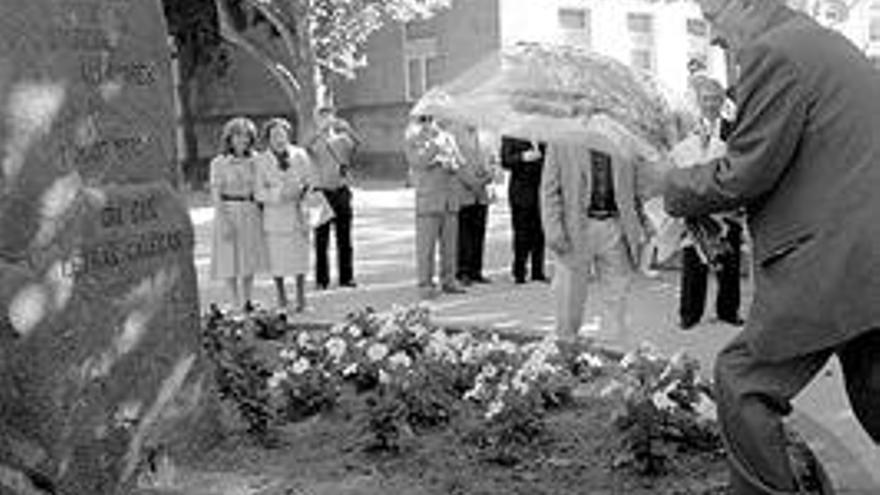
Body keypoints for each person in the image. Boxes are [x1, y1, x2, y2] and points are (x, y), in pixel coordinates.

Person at [663, 1, 880, 493]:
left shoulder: (774, 53)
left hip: (838, 260)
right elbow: (805, 161)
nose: (713, 38)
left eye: (713, 18)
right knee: (873, 392)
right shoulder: (816, 44)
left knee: (742, 381)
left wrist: (671, 185)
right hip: (865, 256)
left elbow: (748, 170)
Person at [542, 117, 653, 344]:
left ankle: (610, 357)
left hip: (615, 227)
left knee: (617, 300)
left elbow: (636, 188)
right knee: (569, 303)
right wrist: (553, 230)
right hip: (574, 230)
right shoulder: (562, 137)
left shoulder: (624, 136)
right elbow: (549, 189)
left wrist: (643, 223)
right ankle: (566, 353)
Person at [672, 75, 744, 330]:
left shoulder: (734, 129)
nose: (711, 103)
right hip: (695, 208)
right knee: (693, 262)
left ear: (723, 101)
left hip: (724, 208)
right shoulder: (685, 130)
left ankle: (728, 311)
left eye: (716, 98)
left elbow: (739, 163)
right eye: (706, 98)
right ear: (698, 101)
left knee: (729, 263)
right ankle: (689, 314)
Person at [254, 118, 313, 312]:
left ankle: (301, 298)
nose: (279, 139)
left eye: (282, 134)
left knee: (300, 258)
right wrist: (279, 194)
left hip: (298, 214)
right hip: (276, 216)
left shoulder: (300, 154)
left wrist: (302, 191)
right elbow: (258, 192)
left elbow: (310, 180)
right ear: (268, 139)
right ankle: (281, 297)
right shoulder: (261, 160)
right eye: (274, 135)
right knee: (278, 260)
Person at [405, 115, 466, 299]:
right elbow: (418, 162)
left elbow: (460, 161)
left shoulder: (448, 137)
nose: (429, 123)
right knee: (426, 247)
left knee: (450, 246)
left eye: (431, 119)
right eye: (425, 119)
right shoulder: (413, 139)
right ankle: (425, 284)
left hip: (449, 199)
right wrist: (436, 145)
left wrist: (451, 163)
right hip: (429, 200)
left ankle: (449, 280)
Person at [209, 117, 268, 309]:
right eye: (237, 136)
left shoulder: (257, 160)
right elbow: (216, 193)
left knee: (248, 258)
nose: (242, 140)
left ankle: (247, 299)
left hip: (250, 211)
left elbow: (264, 187)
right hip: (228, 210)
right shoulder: (219, 162)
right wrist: (224, 220)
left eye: (246, 136)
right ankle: (235, 301)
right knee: (229, 257)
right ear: (229, 138)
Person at [306, 106, 360, 290]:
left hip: (341, 191)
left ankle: (347, 277)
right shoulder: (314, 141)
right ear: (316, 121)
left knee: (344, 239)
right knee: (321, 241)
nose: (326, 121)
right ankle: (322, 280)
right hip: (319, 194)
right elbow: (305, 149)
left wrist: (346, 128)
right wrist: (319, 132)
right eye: (321, 118)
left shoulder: (343, 139)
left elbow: (357, 146)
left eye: (328, 117)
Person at [500, 136, 548, 284]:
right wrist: (522, 157)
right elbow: (505, 161)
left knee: (539, 232)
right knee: (521, 233)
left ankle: (537, 271)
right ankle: (519, 272)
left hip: (540, 190)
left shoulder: (543, 134)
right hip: (520, 192)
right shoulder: (512, 135)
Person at [453, 123, 494, 285]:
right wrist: (473, 183)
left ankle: (476, 270)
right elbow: (457, 165)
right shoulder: (456, 136)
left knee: (479, 232)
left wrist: (488, 175)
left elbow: (492, 161)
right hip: (464, 192)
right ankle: (462, 271)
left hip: (482, 193)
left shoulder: (486, 136)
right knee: (463, 235)